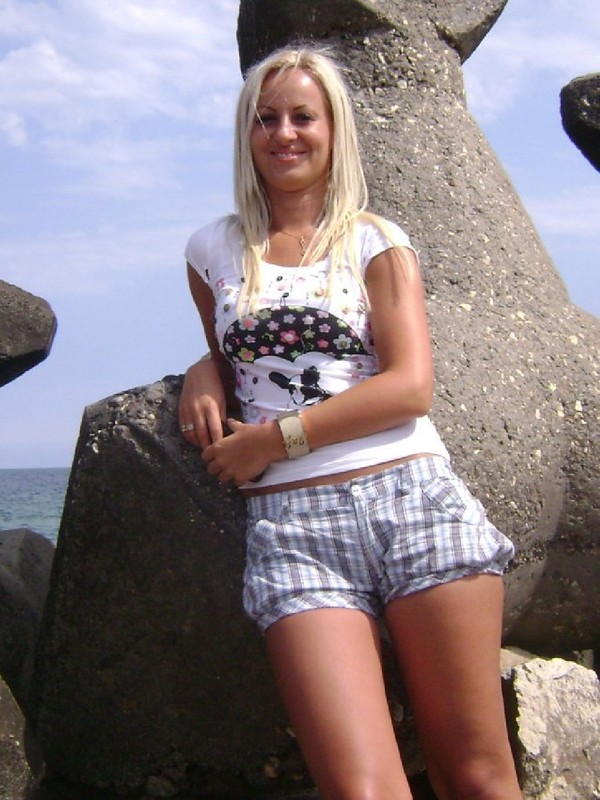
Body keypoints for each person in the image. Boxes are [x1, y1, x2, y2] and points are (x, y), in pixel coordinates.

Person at [178, 45, 522, 800]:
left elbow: (409, 387)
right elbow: (233, 353)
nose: (284, 133)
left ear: (333, 129)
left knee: (478, 776)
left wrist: (275, 440)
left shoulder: (376, 240)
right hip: (294, 529)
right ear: (246, 133)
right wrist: (202, 369)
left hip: (412, 500)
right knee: (361, 790)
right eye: (265, 118)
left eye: (303, 116)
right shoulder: (211, 249)